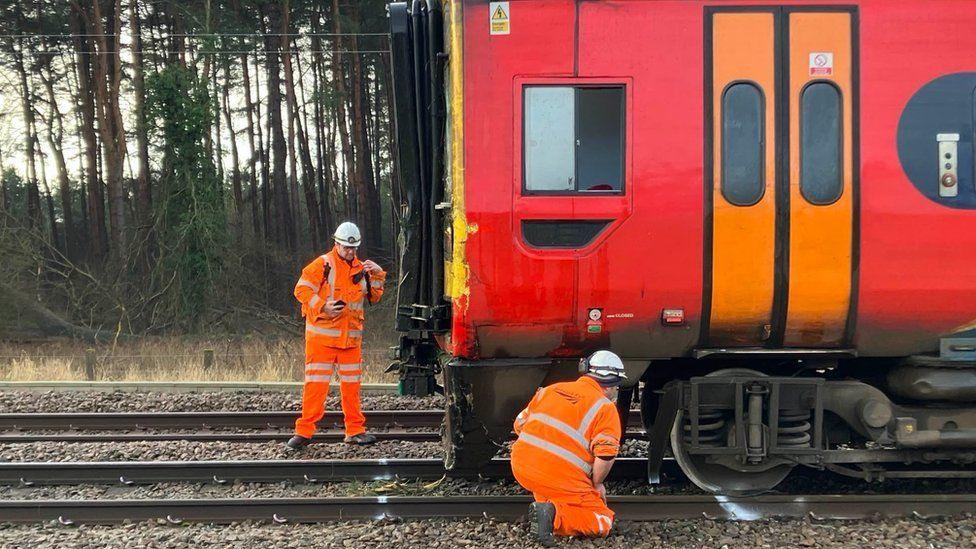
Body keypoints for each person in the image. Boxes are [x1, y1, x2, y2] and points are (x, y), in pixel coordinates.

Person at [286, 222, 386, 450]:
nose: (350, 252)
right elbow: (301, 290)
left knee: (352, 388)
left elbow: (374, 297)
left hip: (350, 342)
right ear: (336, 244)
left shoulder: (363, 269)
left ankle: (355, 431)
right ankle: (303, 432)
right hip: (322, 340)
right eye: (346, 248)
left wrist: (378, 274)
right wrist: (323, 306)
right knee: (315, 387)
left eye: (354, 248)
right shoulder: (323, 264)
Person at [511, 350, 627, 545]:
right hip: (557, 476)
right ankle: (553, 516)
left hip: (521, 466)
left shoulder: (551, 389)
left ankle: (545, 507)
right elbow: (605, 455)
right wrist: (597, 484)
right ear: (611, 385)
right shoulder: (605, 408)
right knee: (602, 520)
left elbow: (519, 425)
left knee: (551, 491)